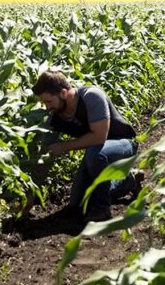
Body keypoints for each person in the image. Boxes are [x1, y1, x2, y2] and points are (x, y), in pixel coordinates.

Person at [31, 70, 142, 222]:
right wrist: (29, 196)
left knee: (95, 153)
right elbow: (46, 154)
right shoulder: (55, 117)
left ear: (63, 93)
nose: (47, 107)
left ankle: (102, 209)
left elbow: (99, 137)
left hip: (123, 144)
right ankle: (128, 181)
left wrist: (63, 147)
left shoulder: (91, 96)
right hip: (96, 152)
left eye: (48, 102)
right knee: (78, 202)